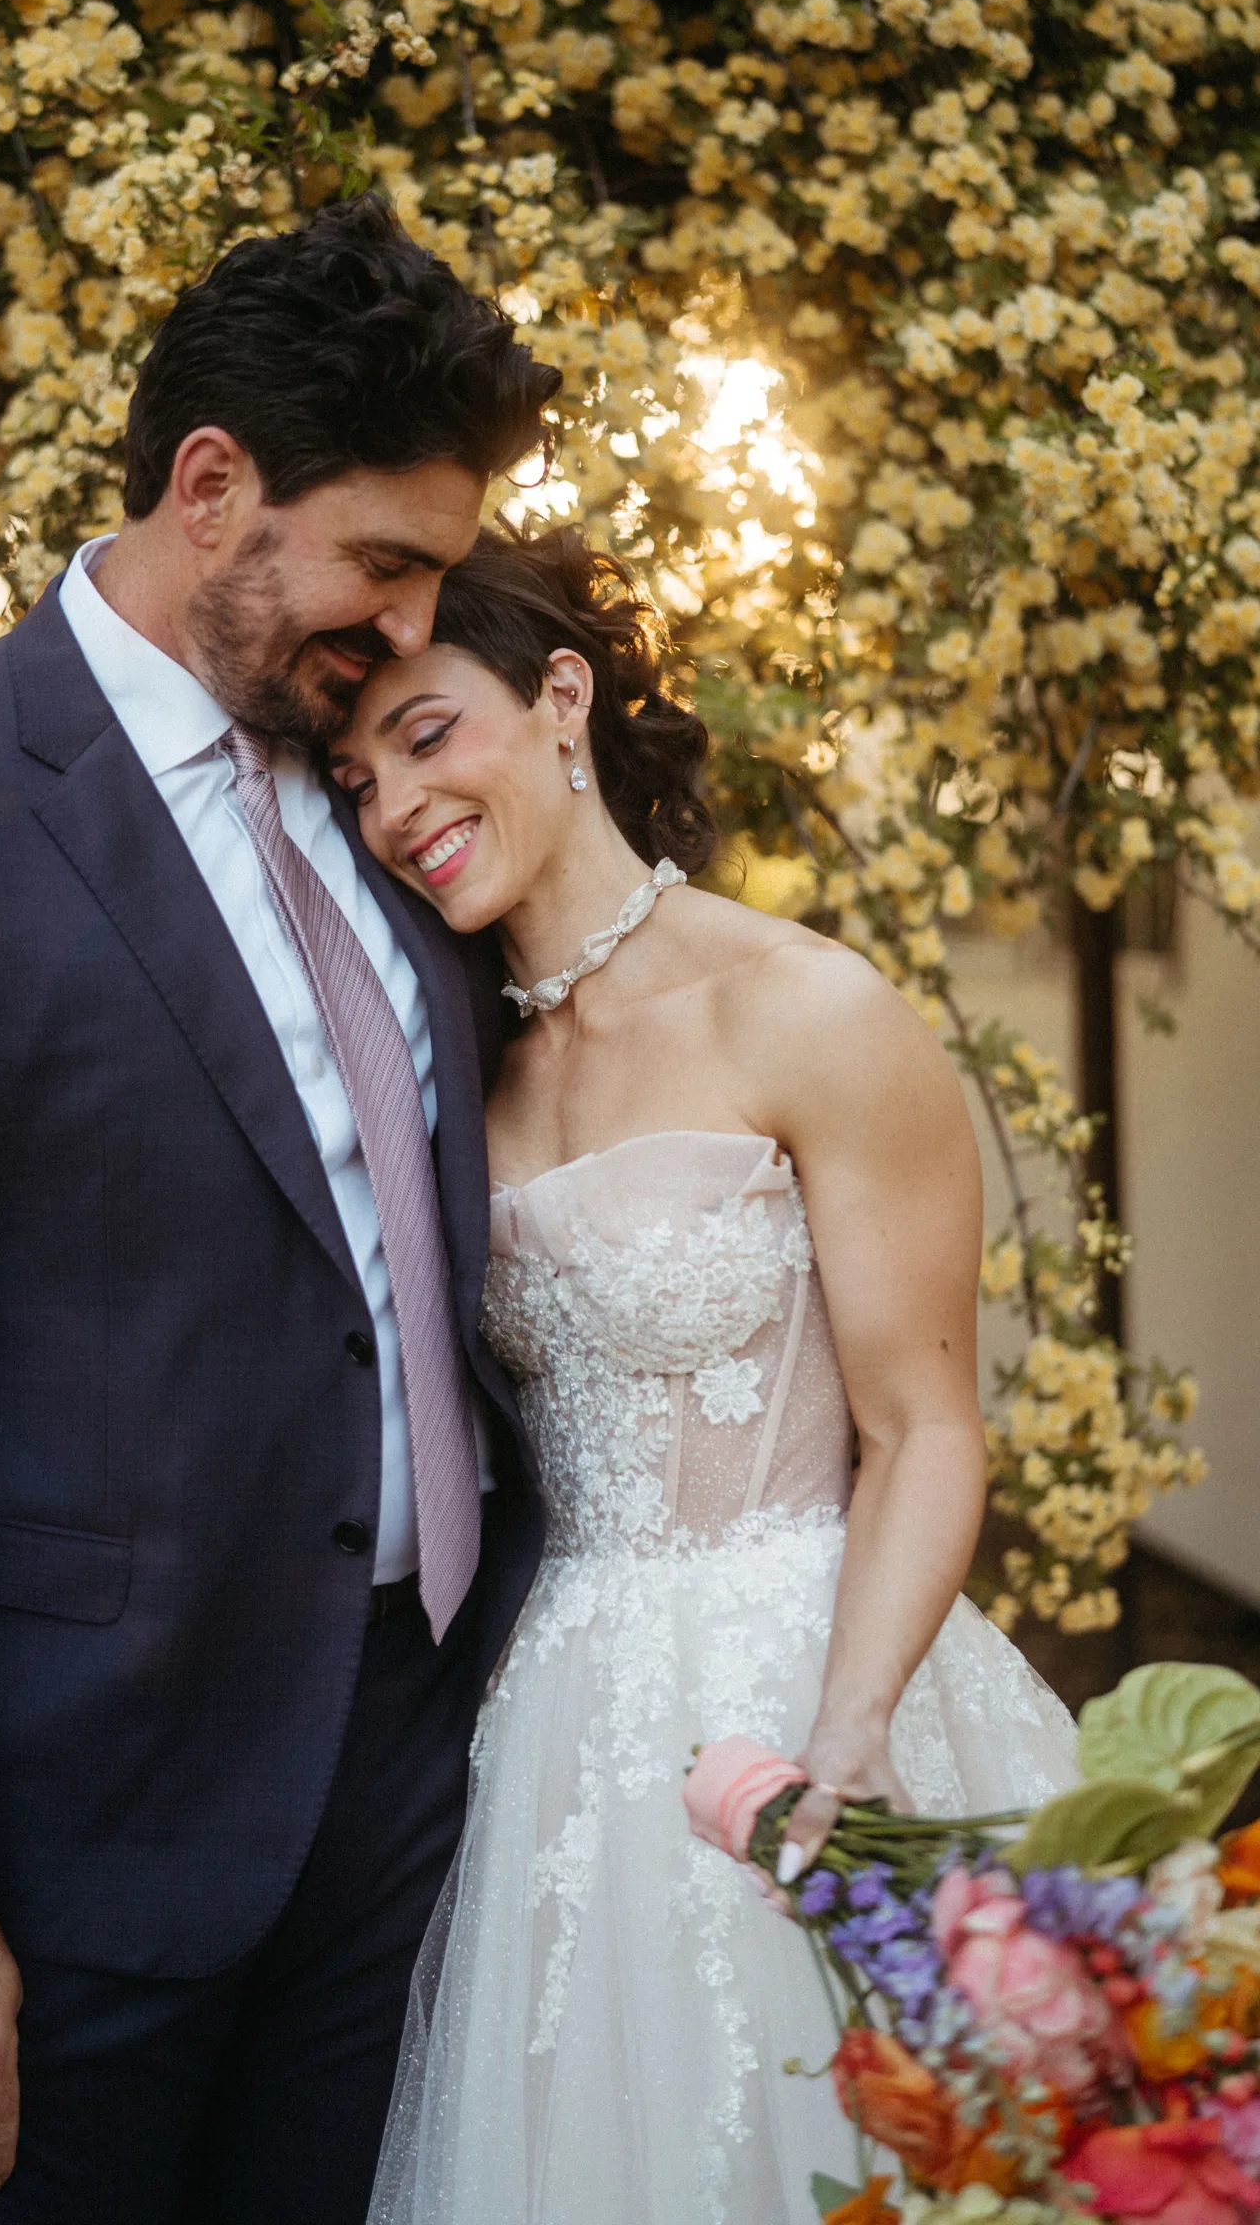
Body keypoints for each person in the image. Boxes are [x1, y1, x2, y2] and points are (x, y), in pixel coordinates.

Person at [0, 197, 559, 2222]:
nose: (416, 629)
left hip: (408, 1780)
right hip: (72, 1840)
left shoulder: (389, 791)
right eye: (382, 563)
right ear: (208, 490)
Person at [328, 525, 1079, 2225]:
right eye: (356, 774)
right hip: (565, 1739)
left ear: (564, 698)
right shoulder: (469, 1074)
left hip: (817, 1678)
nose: (394, 806)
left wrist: (854, 1725)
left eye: (429, 733)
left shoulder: (805, 1009)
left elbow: (927, 1427)